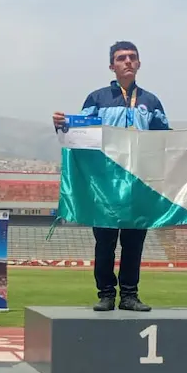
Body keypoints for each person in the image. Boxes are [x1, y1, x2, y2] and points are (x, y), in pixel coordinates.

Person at [52, 41, 167, 312]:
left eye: (132, 57)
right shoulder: (97, 99)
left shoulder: (151, 102)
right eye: (121, 58)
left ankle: (129, 295)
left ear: (139, 63)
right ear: (111, 66)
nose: (127, 61)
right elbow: (78, 134)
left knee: (133, 243)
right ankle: (105, 293)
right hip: (104, 186)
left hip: (137, 186)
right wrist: (61, 125)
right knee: (104, 243)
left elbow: (165, 139)